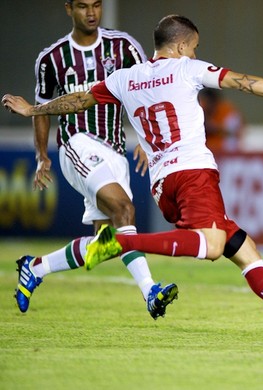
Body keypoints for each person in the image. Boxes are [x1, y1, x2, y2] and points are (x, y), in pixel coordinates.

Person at [3, 14, 263, 354]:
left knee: (247, 253)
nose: (194, 54)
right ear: (180, 46)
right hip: (194, 174)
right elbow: (243, 82)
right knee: (211, 246)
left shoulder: (125, 78)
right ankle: (121, 243)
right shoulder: (187, 70)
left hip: (163, 184)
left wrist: (34, 110)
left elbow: (77, 100)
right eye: (193, 48)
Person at [13, 0, 178, 319]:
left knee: (108, 243)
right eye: (83, 6)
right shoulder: (52, 58)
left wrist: (146, 137)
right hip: (77, 144)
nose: (91, 12)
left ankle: (35, 268)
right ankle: (151, 292)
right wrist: (41, 155)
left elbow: (147, 87)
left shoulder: (123, 46)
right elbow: (43, 108)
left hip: (115, 150)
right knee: (124, 209)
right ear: (68, 9)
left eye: (97, 5)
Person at [198, 88, 245, 154]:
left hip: (224, 151)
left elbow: (233, 132)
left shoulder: (228, 112)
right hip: (204, 151)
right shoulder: (200, 110)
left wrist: (215, 129)